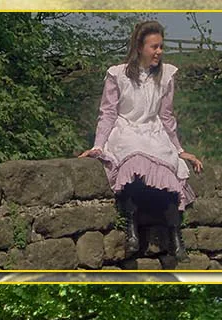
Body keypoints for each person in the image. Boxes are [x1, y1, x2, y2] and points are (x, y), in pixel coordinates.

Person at [79, 20, 204, 258]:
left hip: (154, 132)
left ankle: (175, 234)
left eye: (161, 47)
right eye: (154, 47)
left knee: (169, 170)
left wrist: (179, 149)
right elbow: (108, 113)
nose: (159, 52)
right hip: (127, 131)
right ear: (140, 47)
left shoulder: (166, 76)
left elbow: (166, 116)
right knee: (133, 165)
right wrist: (98, 145)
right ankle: (131, 228)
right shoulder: (118, 75)